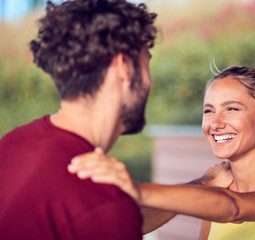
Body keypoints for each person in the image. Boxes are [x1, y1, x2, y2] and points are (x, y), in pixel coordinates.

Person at [68, 66, 255, 239]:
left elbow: (234, 209)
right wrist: (204, 183)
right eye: (209, 110)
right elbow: (136, 226)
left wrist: (136, 188)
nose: (215, 123)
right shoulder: (215, 192)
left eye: (232, 108)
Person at [0, 0, 157, 239]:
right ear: (124, 67)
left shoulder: (11, 145)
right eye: (147, 63)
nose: (148, 82)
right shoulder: (103, 203)